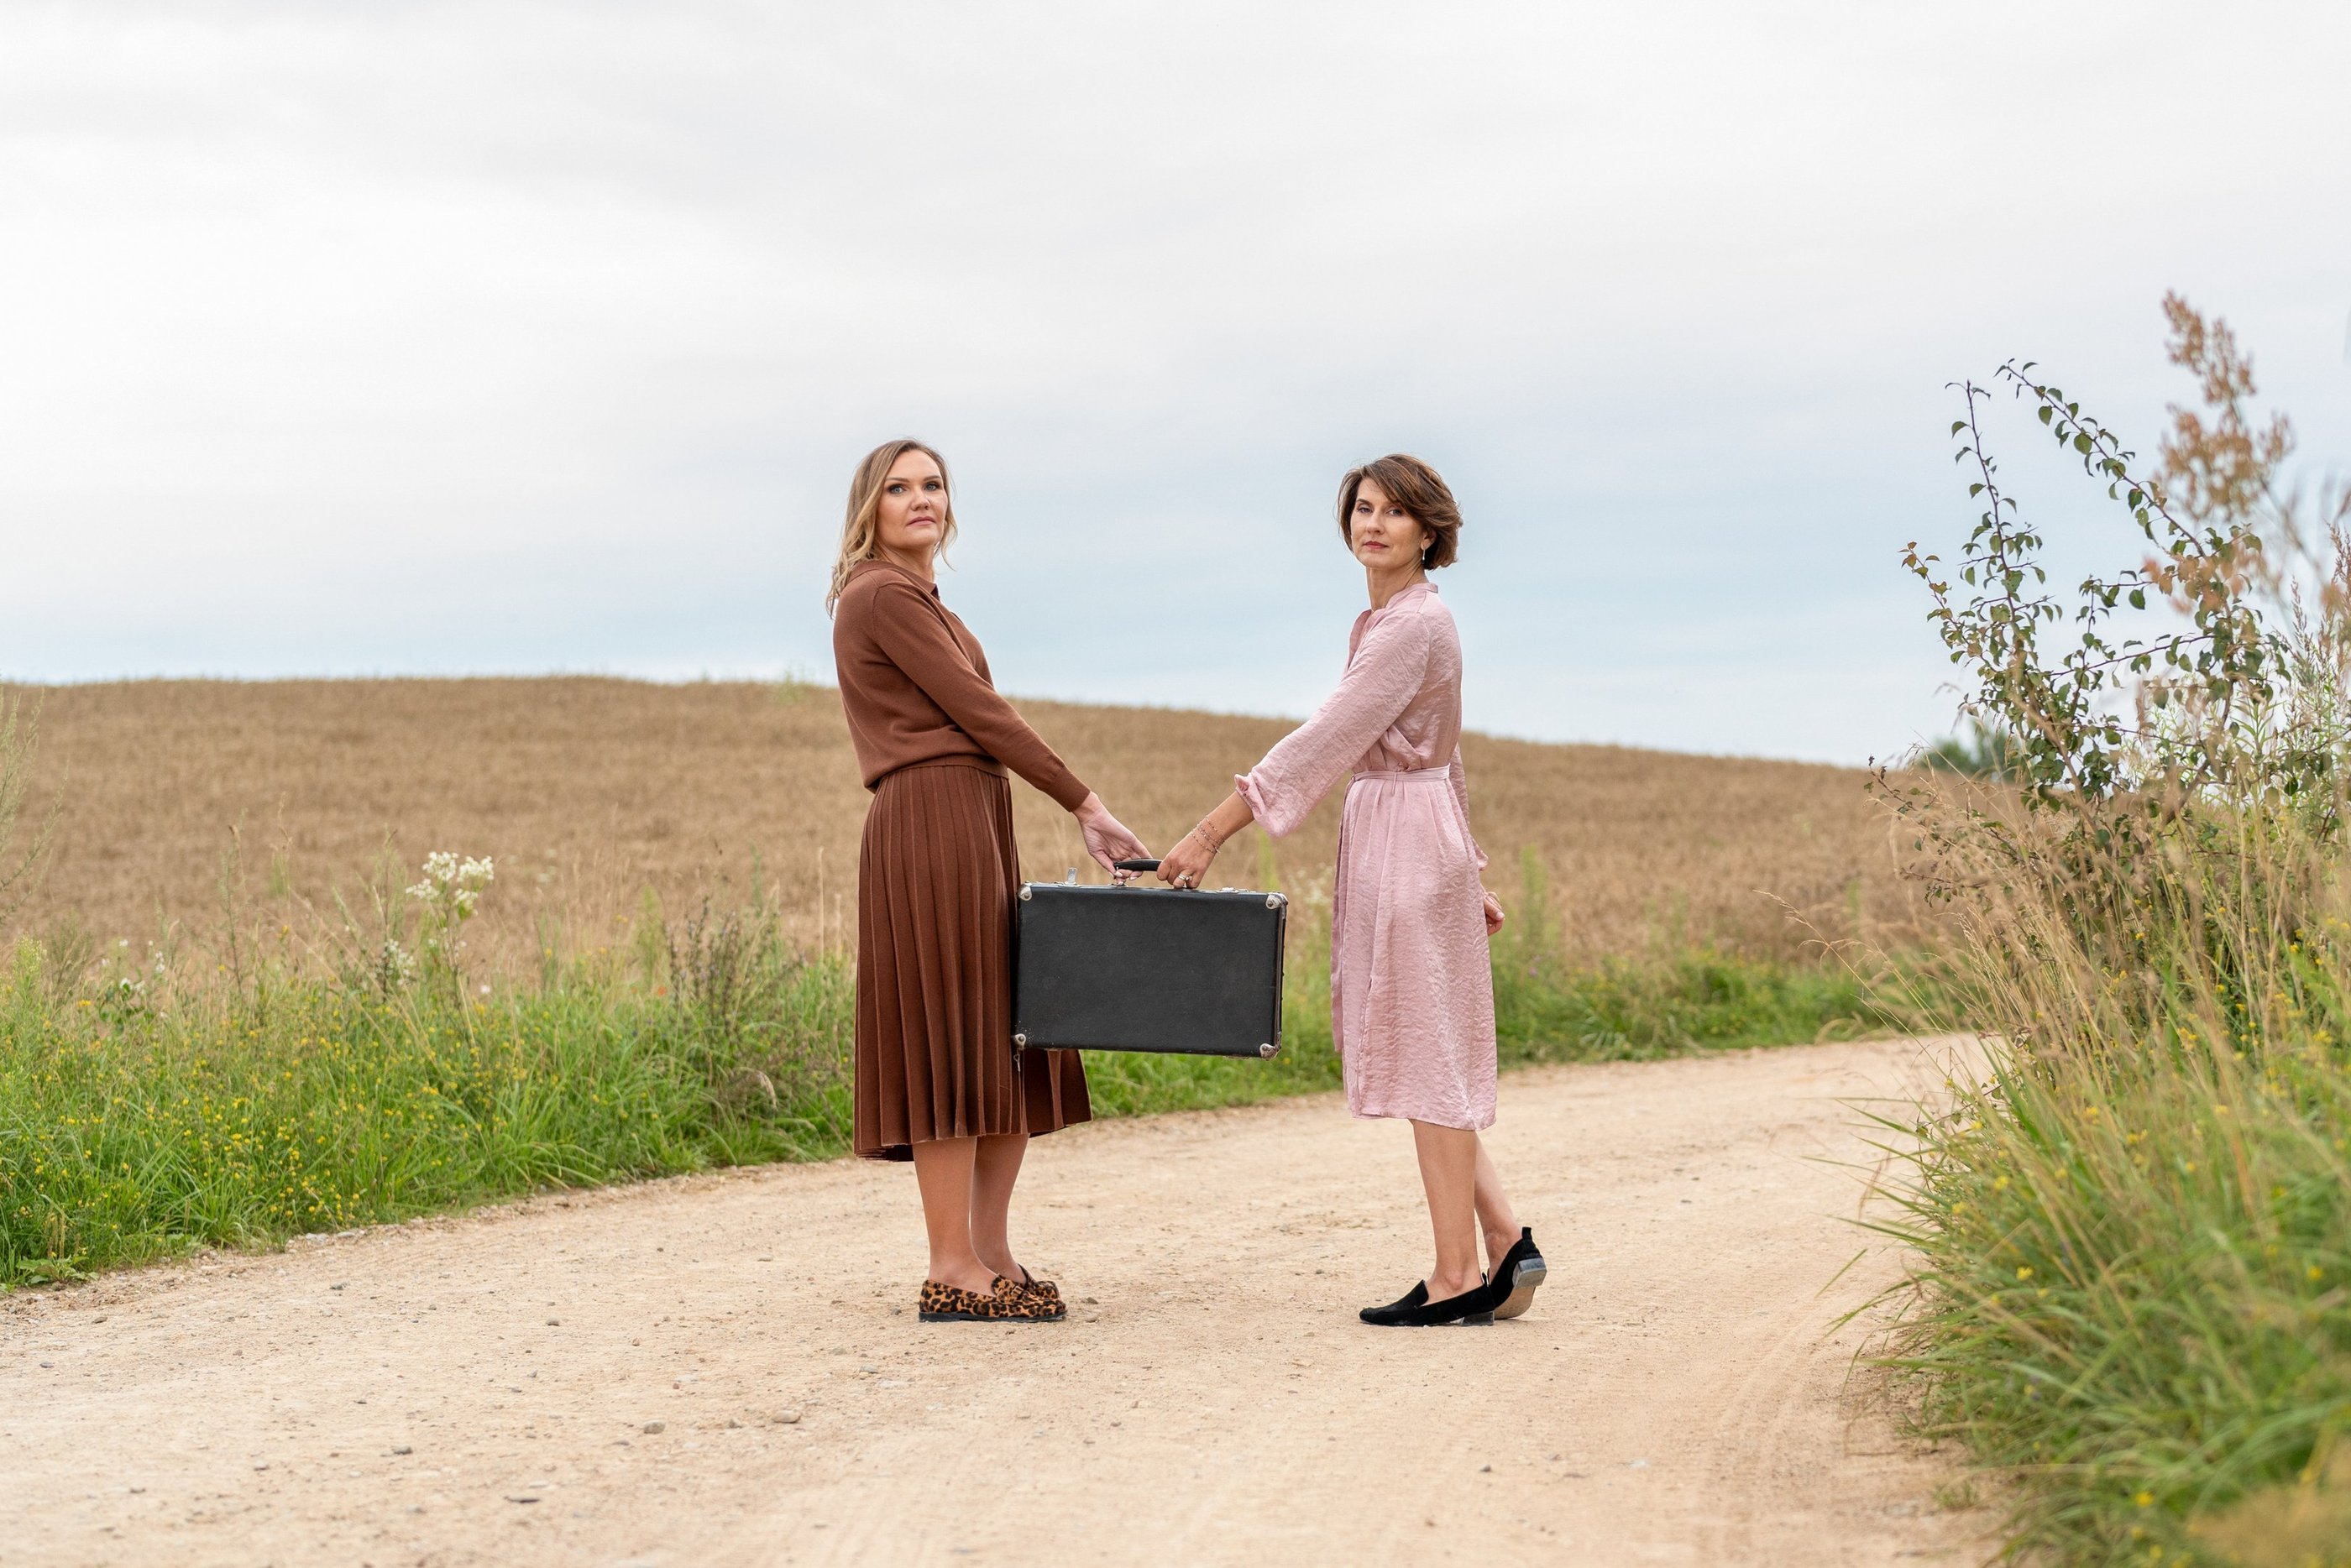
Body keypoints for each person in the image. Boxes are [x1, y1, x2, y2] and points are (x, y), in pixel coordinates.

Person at [1155, 454, 1544, 1327]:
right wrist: (1469, 864)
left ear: (1428, 532)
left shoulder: (1410, 625)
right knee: (1426, 1041)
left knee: (1422, 1048)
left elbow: (1325, 738)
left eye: (1395, 512)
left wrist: (1212, 828)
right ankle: (1504, 1239)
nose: (1374, 524)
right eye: (1363, 508)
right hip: (1415, 832)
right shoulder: (1393, 621)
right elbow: (1448, 751)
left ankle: (1453, 1278)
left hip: (1406, 839)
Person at [828, 438, 1149, 1325]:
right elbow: (980, 713)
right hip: (928, 820)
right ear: (870, 508)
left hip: (970, 817)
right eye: (898, 488)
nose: (920, 498)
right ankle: (948, 1263)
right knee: (951, 1026)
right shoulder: (881, 593)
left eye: (933, 484)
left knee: (1007, 1025)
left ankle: (989, 1251)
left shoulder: (925, 599)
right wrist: (1082, 801)